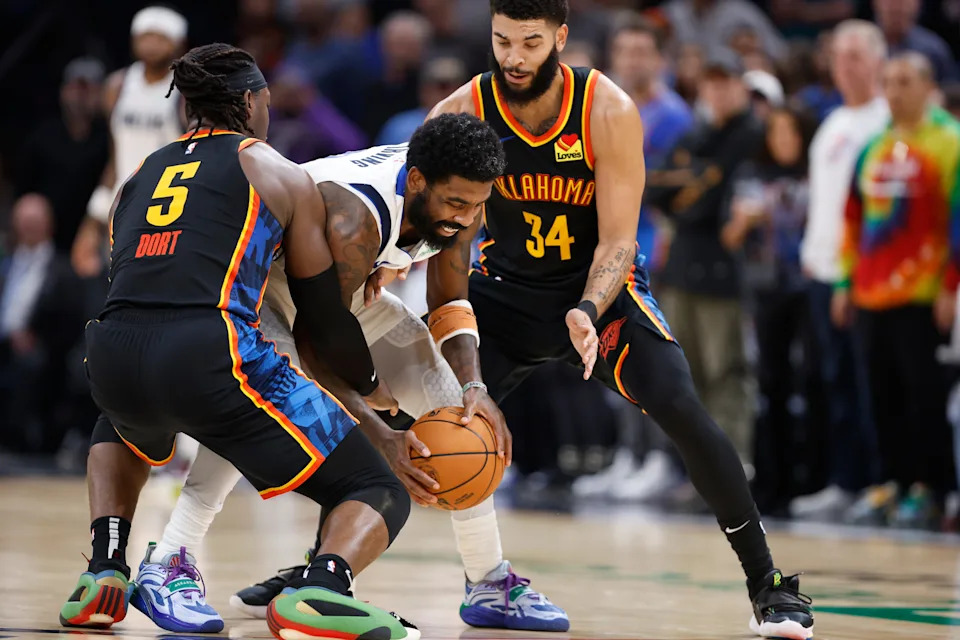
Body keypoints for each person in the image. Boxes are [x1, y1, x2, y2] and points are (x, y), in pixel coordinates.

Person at [371, 1, 814, 637]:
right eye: (502, 41)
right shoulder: (461, 113)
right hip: (501, 297)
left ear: (561, 37)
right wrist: (399, 260)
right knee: (404, 423)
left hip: (596, 297)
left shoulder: (606, 109)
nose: (514, 58)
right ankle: (326, 569)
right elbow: (437, 225)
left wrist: (586, 308)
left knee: (679, 403)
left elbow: (618, 243)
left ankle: (768, 584)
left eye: (530, 42)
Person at [120, 117, 568, 634]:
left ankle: (488, 580)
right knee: (246, 416)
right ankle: (170, 557)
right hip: (260, 301)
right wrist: (378, 431)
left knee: (456, 409)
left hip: (337, 298)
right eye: (456, 204)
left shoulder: (458, 189)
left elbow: (450, 299)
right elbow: (315, 341)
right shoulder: (353, 219)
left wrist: (475, 388)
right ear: (418, 181)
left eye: (476, 205)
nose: (466, 217)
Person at [59, 43, 418, 640]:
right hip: (209, 356)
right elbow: (323, 320)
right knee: (374, 486)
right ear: (251, 102)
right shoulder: (275, 170)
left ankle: (105, 568)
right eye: (267, 104)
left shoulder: (135, 178)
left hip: (111, 353)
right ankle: (320, 591)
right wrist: (374, 391)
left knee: (120, 418)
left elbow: (135, 284)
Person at [833, 53, 960, 528]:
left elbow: (958, 221)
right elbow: (853, 219)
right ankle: (890, 482)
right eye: (887, 81)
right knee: (877, 395)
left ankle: (929, 489)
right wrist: (846, 281)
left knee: (922, 396)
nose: (893, 90)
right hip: (871, 292)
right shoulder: (874, 147)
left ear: (929, 86)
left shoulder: (950, 143)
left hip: (923, 293)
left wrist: (950, 286)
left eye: (905, 81)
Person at [793, 20, 889, 521]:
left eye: (856, 56)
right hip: (820, 270)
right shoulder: (832, 124)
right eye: (839, 57)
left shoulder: (885, 122)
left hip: (862, 277)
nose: (846, 66)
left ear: (878, 61)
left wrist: (851, 275)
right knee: (832, 380)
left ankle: (871, 484)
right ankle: (843, 481)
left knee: (865, 383)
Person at [720, 104, 818, 514]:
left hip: (810, 286)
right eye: (776, 132)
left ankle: (810, 477)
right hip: (767, 290)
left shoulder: (817, 173)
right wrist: (745, 221)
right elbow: (730, 237)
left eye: (790, 132)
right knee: (770, 382)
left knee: (813, 379)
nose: (783, 141)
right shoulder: (752, 176)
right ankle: (771, 480)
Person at [71, 6, 188, 280]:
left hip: (170, 209)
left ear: (179, 43)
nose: (151, 44)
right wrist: (92, 222)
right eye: (145, 36)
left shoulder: (186, 88)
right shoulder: (117, 85)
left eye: (160, 37)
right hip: (123, 207)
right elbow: (114, 160)